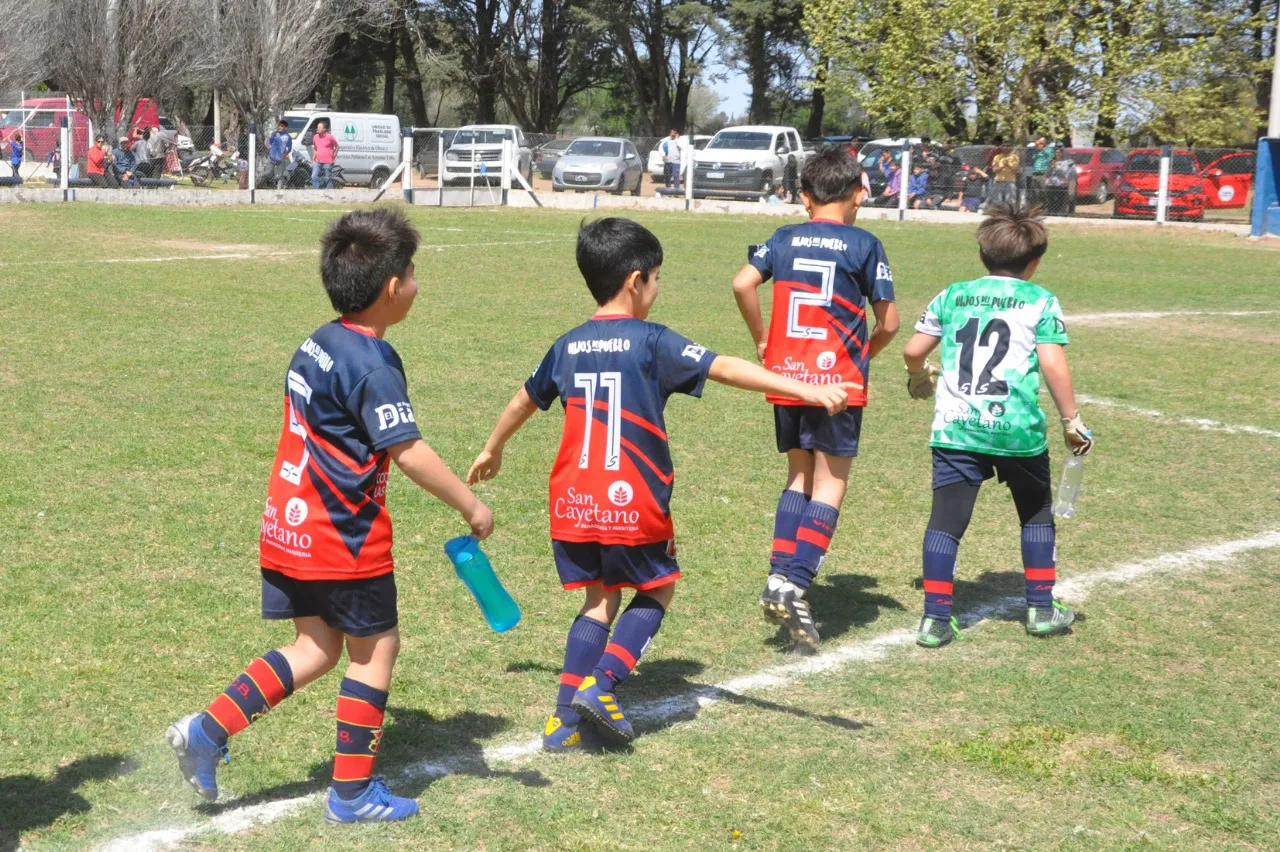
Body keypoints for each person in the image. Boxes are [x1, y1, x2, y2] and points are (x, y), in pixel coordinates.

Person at [466, 218, 856, 749]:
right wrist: (804, 390)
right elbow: (727, 368)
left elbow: (523, 398)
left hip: (574, 498)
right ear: (635, 281)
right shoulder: (652, 341)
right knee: (658, 587)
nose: (658, 288)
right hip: (633, 495)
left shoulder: (568, 345)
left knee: (598, 599)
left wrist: (494, 448)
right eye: (657, 277)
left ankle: (563, 723)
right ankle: (601, 685)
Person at [165, 209, 493, 823]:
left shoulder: (316, 340)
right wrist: (470, 504)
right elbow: (409, 450)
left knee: (315, 647)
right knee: (375, 651)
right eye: (414, 273)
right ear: (392, 287)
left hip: (288, 526)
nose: (418, 284)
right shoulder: (374, 363)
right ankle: (350, 795)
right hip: (342, 536)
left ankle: (206, 732)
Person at [901, 205, 1093, 649]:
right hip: (1016, 429)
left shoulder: (952, 295)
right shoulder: (1041, 299)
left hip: (956, 429)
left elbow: (914, 350)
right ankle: (1041, 608)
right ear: (1035, 261)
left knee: (945, 523)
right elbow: (1051, 362)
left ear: (983, 254)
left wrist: (919, 377)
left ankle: (934, 620)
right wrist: (1071, 420)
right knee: (1036, 513)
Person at [731, 147, 900, 648]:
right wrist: (861, 355)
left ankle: (779, 575)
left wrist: (763, 339)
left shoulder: (783, 237)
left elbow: (743, 283)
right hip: (837, 385)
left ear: (806, 196)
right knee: (830, 485)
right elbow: (888, 322)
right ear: (856, 193)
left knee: (799, 477)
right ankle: (797, 582)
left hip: (787, 377)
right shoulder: (865, 244)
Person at [311, 119, 339, 189]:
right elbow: (315, 148)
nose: (318, 128)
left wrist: (334, 155)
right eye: (317, 127)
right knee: (313, 176)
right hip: (317, 161)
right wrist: (313, 160)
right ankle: (316, 192)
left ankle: (328, 193)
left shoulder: (330, 137)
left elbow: (337, 146)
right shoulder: (315, 137)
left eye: (320, 127)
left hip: (328, 162)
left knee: (327, 178)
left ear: (324, 129)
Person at [268, 119, 292, 189]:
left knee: (280, 175)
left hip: (281, 159)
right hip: (272, 158)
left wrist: (284, 155)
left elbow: (289, 148)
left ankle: (279, 190)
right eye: (279, 126)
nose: (280, 127)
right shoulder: (274, 134)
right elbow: (270, 143)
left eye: (282, 126)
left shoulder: (288, 137)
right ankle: (265, 184)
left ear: (285, 128)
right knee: (268, 173)